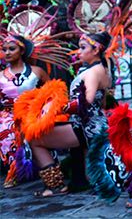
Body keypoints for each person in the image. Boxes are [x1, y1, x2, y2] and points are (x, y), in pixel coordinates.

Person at [28, 32, 112, 197]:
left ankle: (54, 185)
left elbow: (85, 103)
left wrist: (56, 108)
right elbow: (101, 102)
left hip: (86, 127)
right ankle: (77, 182)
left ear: (96, 50)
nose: (78, 52)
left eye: (83, 48)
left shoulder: (93, 72)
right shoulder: (98, 69)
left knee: (34, 139)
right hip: (91, 124)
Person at [0, 34, 50, 188]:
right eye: (4, 49)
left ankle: (46, 169)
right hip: (8, 115)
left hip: (33, 113)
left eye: (12, 49)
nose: (7, 53)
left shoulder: (37, 71)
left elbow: (52, 93)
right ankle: (14, 170)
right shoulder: (0, 76)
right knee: (7, 130)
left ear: (21, 51)